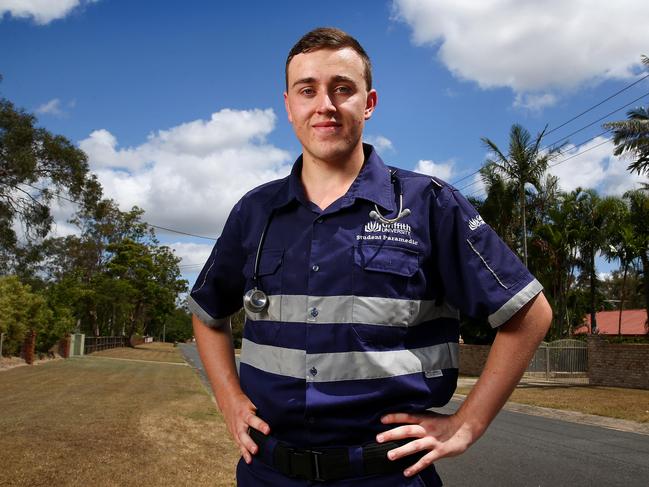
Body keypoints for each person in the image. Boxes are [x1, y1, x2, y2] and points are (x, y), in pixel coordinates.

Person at [189, 27, 552, 486]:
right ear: (288, 105)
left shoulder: (430, 204)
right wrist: (228, 398)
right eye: (308, 90)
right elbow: (206, 314)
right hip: (268, 472)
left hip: (385, 475)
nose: (325, 104)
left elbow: (529, 313)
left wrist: (467, 424)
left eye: (343, 88)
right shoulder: (253, 212)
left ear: (369, 102)